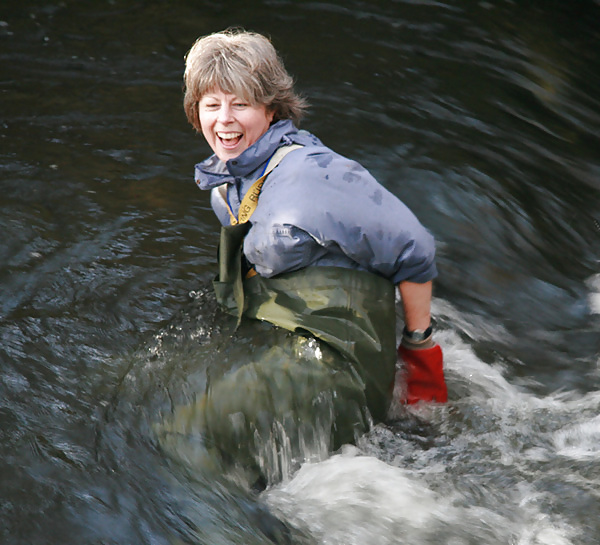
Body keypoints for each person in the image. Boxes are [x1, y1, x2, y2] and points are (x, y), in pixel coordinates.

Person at [161, 28, 447, 485]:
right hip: (299, 339)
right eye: (212, 105)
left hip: (341, 358)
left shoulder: (313, 176)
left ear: (271, 109)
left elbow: (414, 247)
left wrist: (419, 352)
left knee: (187, 434)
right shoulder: (225, 183)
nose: (225, 120)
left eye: (241, 104)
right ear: (196, 113)